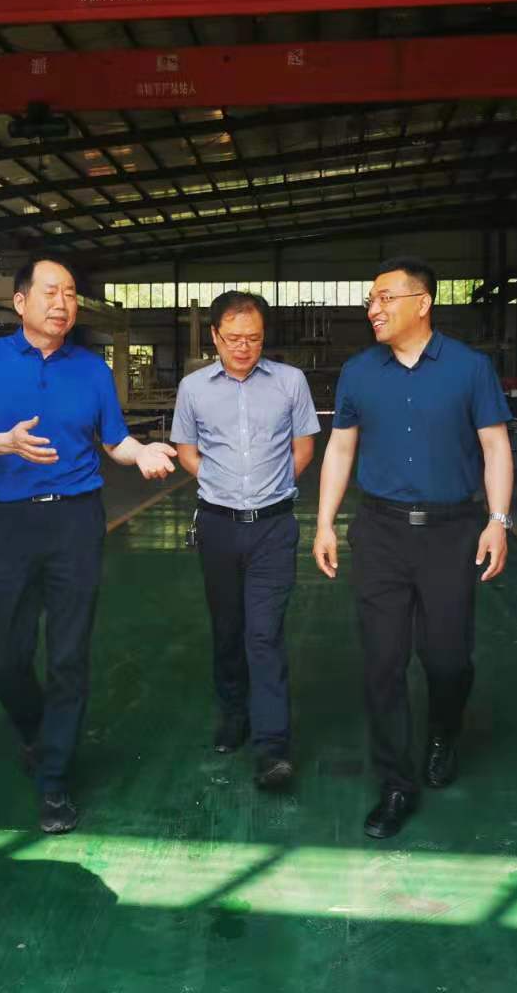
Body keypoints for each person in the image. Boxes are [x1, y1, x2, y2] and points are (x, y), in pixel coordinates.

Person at [0, 255, 177, 834]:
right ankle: (37, 730)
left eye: (71, 293)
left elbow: (115, 440)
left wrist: (142, 453)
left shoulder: (92, 369)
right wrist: (5, 442)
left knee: (69, 654)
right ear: (20, 301)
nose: (62, 303)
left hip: (76, 520)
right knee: (4, 651)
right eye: (50, 292)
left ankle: (53, 779)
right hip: (9, 522)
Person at [313, 256, 514, 839]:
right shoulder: (358, 372)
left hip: (452, 531)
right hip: (380, 531)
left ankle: (444, 731)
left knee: (447, 659)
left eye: (385, 298)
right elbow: (340, 450)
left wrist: (498, 520)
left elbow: (495, 447)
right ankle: (395, 783)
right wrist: (323, 523)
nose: (373, 309)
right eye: (371, 300)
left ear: (422, 303)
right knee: (383, 661)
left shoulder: (470, 369)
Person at [171, 290, 319, 789]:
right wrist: (222, 483)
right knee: (228, 628)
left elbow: (304, 447)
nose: (243, 348)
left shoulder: (290, 382)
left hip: (274, 527)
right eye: (233, 338)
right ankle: (234, 711)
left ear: (263, 337)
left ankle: (273, 747)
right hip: (217, 526)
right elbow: (186, 449)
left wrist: (268, 488)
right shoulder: (193, 388)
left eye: (253, 338)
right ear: (214, 336)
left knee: (264, 633)